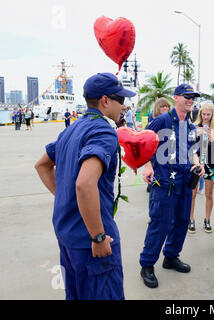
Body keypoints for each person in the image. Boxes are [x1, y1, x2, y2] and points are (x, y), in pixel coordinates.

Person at [34, 72, 136, 300]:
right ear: (106, 101)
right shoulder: (103, 132)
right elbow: (84, 183)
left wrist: (64, 197)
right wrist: (98, 236)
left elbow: (42, 165)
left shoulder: (71, 129)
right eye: (121, 100)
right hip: (90, 243)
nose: (124, 106)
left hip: (68, 236)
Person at [140, 83, 205, 289]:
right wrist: (148, 165)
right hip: (165, 181)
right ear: (176, 97)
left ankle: (171, 256)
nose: (190, 100)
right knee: (161, 223)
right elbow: (142, 142)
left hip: (186, 182)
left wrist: (197, 164)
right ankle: (147, 265)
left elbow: (192, 150)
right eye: (187, 96)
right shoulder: (162, 120)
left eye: (193, 97)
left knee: (182, 221)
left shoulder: (192, 127)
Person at [189, 101, 214, 234]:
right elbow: (189, 145)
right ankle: (190, 219)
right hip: (195, 163)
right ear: (200, 113)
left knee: (209, 194)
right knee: (192, 193)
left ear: (212, 114)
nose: (205, 116)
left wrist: (212, 139)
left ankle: (207, 220)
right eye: (203, 114)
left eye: (208, 114)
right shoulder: (194, 127)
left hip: (210, 164)